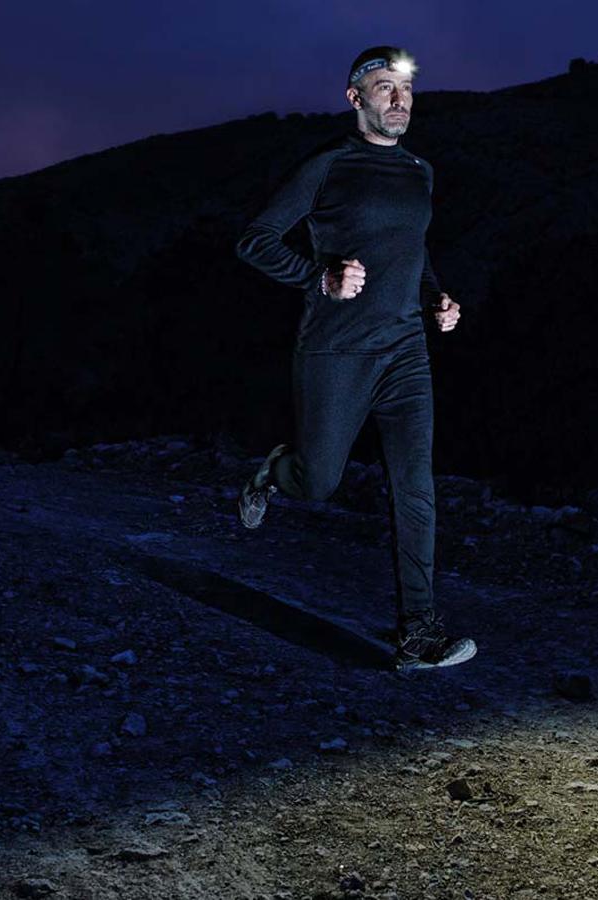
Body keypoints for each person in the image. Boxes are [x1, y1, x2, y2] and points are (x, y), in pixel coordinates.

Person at [233, 45, 476, 672]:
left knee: (415, 486)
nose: (399, 98)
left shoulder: (420, 170)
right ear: (355, 98)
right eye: (385, 86)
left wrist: (436, 299)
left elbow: (414, 251)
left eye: (406, 88)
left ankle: (418, 632)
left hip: (405, 351)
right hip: (336, 349)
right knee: (319, 483)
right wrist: (319, 278)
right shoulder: (328, 166)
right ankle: (275, 470)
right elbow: (255, 240)